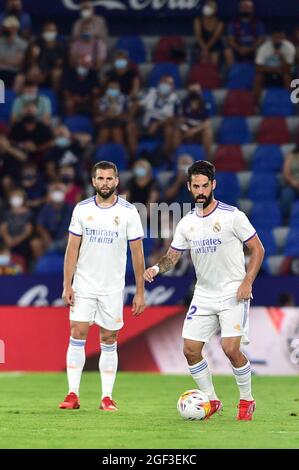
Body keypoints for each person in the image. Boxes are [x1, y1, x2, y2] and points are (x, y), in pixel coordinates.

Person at [144, 160, 265, 421]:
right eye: (196, 186)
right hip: (204, 293)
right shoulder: (187, 223)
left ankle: (247, 401)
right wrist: (155, 269)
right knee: (190, 349)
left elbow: (258, 249)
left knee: (230, 348)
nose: (200, 191)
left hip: (233, 291)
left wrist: (247, 283)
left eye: (205, 186)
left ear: (213, 185)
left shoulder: (232, 216)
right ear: (189, 187)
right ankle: (211, 400)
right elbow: (173, 256)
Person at [59, 161, 145, 411]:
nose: (105, 183)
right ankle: (72, 394)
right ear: (93, 181)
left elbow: (137, 254)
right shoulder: (82, 209)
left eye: (109, 179)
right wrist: (68, 284)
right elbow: (71, 249)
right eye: (100, 178)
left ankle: (107, 397)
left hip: (112, 287)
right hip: (84, 284)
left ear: (117, 181)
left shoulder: (129, 212)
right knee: (77, 333)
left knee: (109, 338)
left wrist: (140, 291)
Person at [254, 30, 296, 104]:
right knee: (258, 78)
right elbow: (258, 67)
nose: (278, 40)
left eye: (280, 38)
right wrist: (274, 69)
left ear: (284, 38)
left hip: (282, 73)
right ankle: (256, 105)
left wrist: (281, 57)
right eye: (276, 37)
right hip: (268, 73)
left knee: (288, 78)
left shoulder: (289, 47)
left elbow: (288, 68)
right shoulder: (264, 48)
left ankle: (289, 103)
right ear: (272, 38)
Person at [225, 0, 265, 66]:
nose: (245, 10)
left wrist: (250, 48)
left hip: (253, 49)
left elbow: (261, 39)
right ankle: (232, 74)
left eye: (247, 8)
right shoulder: (233, 23)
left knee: (261, 52)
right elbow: (230, 40)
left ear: (252, 9)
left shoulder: (258, 23)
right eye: (243, 7)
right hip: (237, 49)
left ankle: (257, 75)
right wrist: (239, 48)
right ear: (239, 9)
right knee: (228, 52)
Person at [193, 0, 225, 65]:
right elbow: (198, 36)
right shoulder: (198, 20)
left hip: (214, 44)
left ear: (215, 10)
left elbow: (215, 37)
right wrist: (204, 48)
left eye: (210, 7)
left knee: (214, 57)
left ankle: (214, 73)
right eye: (207, 6)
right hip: (201, 43)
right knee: (202, 56)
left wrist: (206, 48)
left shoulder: (220, 22)